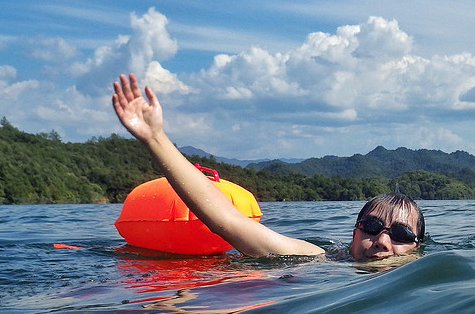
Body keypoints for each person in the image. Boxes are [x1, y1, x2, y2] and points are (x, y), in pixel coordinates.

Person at [111, 73, 425, 261]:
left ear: (417, 247)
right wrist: (155, 138)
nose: (382, 241)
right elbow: (228, 222)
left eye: (399, 233)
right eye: (371, 227)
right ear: (354, 232)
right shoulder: (319, 259)